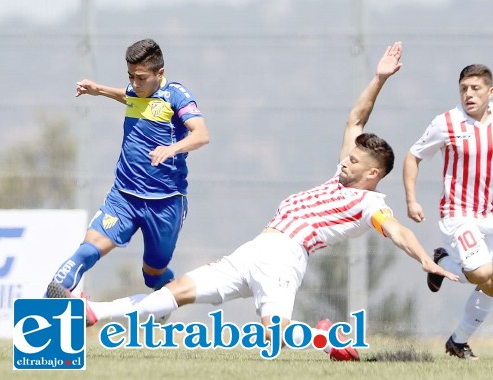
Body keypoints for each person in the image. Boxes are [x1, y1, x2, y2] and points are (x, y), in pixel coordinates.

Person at [48, 41, 457, 358]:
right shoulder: (341, 175)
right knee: (172, 294)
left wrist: (423, 258)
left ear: (372, 174)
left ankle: (323, 338)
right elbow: (356, 119)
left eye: (354, 160)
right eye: (348, 156)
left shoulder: (372, 204)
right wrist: (380, 78)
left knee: (273, 336)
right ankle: (94, 313)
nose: (344, 161)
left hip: (286, 258)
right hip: (256, 248)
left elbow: (397, 230)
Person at [47, 38, 210, 302]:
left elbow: (201, 134)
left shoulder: (176, 96)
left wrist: (172, 149)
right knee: (87, 251)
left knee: (153, 274)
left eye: (141, 77)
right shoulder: (137, 90)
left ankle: (166, 291)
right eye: (131, 76)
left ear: (160, 74)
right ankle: (51, 301)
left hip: (165, 202)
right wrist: (97, 89)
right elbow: (128, 96)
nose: (135, 83)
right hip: (124, 196)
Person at [403, 63, 493, 360]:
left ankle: (457, 341)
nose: (468, 94)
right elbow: (414, 155)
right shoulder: (447, 123)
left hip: (489, 215)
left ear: (490, 92)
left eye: (475, 88)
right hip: (459, 215)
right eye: (464, 89)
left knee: (490, 285)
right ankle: (442, 261)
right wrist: (411, 199)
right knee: (482, 272)